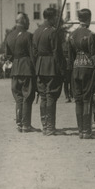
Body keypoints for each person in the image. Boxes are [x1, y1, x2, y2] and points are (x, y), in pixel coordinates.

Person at [67, 9, 95, 139]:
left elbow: (69, 57)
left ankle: (80, 130)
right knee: (87, 99)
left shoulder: (71, 35)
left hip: (75, 69)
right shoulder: (91, 35)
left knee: (78, 100)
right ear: (89, 19)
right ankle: (87, 131)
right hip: (88, 68)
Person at [33, 7, 66, 136]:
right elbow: (57, 52)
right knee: (51, 95)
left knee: (43, 96)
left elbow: (34, 52)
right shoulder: (53, 32)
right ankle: (51, 127)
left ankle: (45, 125)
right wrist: (62, 68)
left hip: (40, 66)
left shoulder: (37, 31)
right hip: (51, 66)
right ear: (52, 18)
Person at [4, 12, 37, 133]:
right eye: (27, 20)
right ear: (23, 21)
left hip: (15, 69)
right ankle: (26, 124)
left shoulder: (9, 36)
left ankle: (19, 123)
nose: (29, 23)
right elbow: (32, 54)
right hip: (26, 68)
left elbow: (7, 55)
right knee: (27, 97)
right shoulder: (28, 36)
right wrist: (35, 69)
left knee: (18, 97)